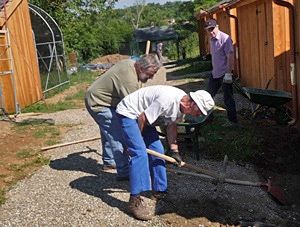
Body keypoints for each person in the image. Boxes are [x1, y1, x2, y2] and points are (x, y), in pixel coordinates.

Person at [116, 85, 215, 220]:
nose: (198, 115)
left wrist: (174, 150)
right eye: (199, 112)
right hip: (130, 113)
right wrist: (133, 143)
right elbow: (142, 118)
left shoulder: (182, 106)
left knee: (158, 150)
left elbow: (171, 125)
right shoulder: (167, 99)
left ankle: (159, 191)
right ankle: (135, 199)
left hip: (144, 117)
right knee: (139, 153)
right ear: (191, 104)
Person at [85, 54, 162, 181]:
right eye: (151, 73)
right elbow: (133, 109)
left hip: (103, 99)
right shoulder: (129, 80)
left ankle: (110, 161)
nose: (152, 77)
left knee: (109, 131)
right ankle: (124, 171)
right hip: (99, 103)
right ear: (142, 68)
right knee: (118, 136)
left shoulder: (130, 64)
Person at [204, 18, 238, 126]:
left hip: (224, 74)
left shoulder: (225, 38)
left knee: (228, 98)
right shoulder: (211, 39)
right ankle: (209, 118)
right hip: (215, 73)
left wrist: (228, 73)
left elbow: (230, 57)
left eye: (212, 29)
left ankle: (232, 121)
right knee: (207, 96)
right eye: (208, 30)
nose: (211, 31)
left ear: (217, 26)